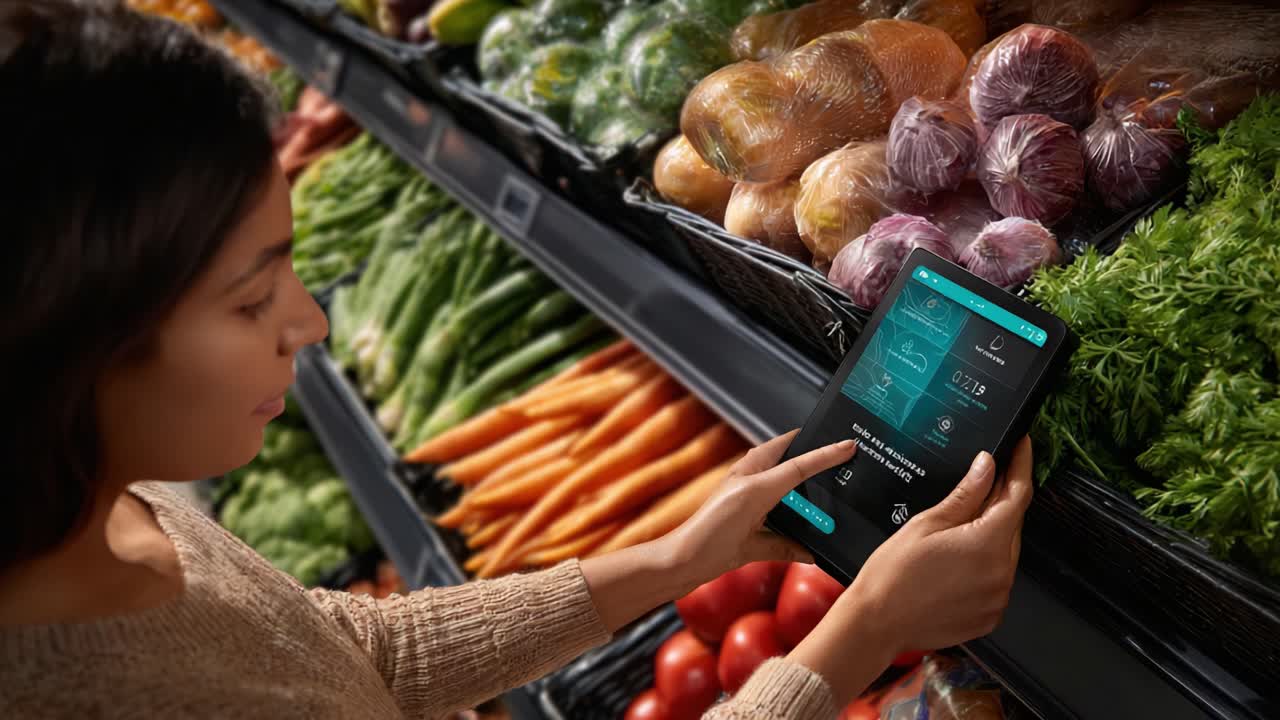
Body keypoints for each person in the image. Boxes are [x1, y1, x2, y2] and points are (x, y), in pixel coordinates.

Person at [0, 2, 1033, 718]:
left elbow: (344, 657)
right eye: (250, 294)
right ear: (73, 342)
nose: (309, 324)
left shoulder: (106, 511)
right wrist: (858, 634)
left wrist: (676, 559)